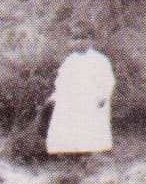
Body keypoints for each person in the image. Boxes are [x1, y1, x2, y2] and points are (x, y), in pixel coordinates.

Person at [46, 22, 115, 156]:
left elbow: (107, 80)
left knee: (91, 126)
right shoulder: (69, 61)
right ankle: (69, 154)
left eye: (83, 38)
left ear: (90, 40)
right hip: (71, 101)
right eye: (75, 38)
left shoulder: (99, 60)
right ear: (70, 41)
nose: (79, 42)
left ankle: (93, 155)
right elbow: (61, 82)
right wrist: (54, 96)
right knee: (68, 125)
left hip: (91, 100)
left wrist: (103, 95)